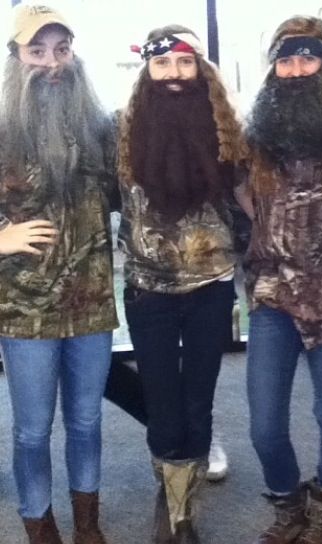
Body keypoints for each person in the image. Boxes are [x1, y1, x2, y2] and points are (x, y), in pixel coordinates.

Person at [117, 24, 250, 543]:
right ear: (148, 71)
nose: (174, 74)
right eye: (162, 64)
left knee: (197, 398)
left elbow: (252, 201)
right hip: (148, 291)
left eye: (184, 63)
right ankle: (168, 497)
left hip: (211, 287)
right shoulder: (121, 134)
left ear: (200, 69)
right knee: (163, 401)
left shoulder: (228, 133)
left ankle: (183, 514)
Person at [244, 15, 322, 544]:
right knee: (265, 424)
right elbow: (237, 208)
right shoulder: (253, 143)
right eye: (286, 58)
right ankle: (288, 507)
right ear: (273, 68)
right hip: (273, 296)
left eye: (307, 57)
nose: (296, 69)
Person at [0, 4, 118, 544]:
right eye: (37, 51)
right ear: (15, 59)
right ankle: (38, 524)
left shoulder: (100, 128)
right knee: (31, 430)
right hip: (23, 308)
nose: (52, 63)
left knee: (88, 421)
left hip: (91, 301)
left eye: (62, 49)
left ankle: (87, 523)